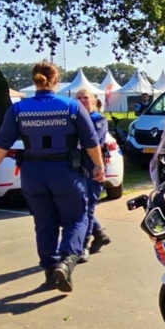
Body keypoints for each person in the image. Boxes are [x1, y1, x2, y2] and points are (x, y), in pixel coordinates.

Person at [0, 62, 105, 293]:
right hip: (65, 172)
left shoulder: (19, 109)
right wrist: (99, 166)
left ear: (35, 81)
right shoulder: (72, 107)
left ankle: (49, 272)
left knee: (44, 224)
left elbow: (0, 144)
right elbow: (91, 142)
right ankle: (66, 263)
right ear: (56, 81)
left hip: (33, 174)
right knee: (76, 219)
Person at [75, 90, 111, 260]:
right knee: (77, 206)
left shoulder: (99, 120)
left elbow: (92, 141)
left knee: (87, 206)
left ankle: (83, 245)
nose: (82, 100)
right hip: (75, 167)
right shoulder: (73, 120)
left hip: (93, 168)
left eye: (86, 97)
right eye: (78, 98)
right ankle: (100, 234)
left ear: (94, 101)